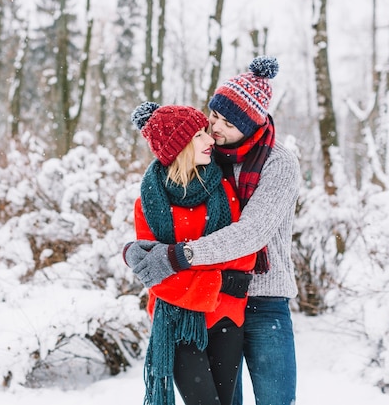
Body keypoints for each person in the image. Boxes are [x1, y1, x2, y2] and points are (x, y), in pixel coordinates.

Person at [125, 56, 300, 405]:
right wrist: (136, 250)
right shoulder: (210, 154)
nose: (215, 128)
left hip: (265, 301)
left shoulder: (279, 164)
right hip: (213, 301)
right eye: (213, 116)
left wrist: (180, 256)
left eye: (226, 123)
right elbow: (168, 192)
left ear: (251, 124)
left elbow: (251, 233)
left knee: (276, 399)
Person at [123, 101, 257, 405]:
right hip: (177, 323)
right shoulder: (148, 203)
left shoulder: (224, 191)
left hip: (225, 317)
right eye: (199, 135)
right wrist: (217, 281)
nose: (210, 139)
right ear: (178, 146)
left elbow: (241, 255)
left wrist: (180, 263)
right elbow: (155, 274)